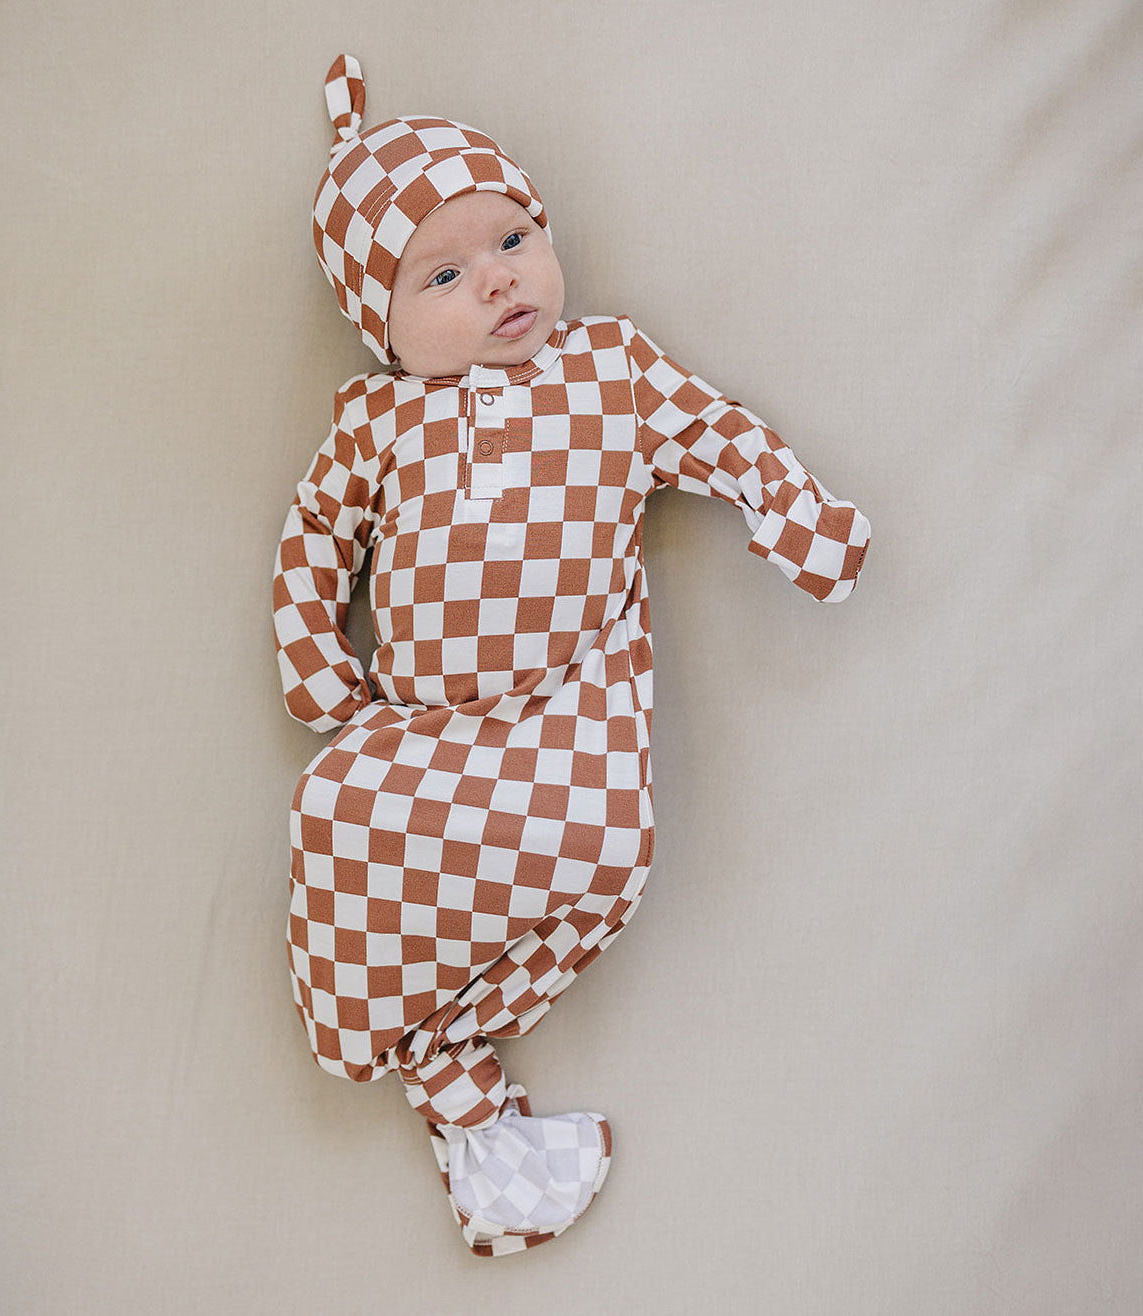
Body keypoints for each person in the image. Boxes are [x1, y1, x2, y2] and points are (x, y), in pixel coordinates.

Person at [272, 53, 871, 1257]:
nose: (498, 279)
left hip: (567, 701)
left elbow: (720, 434)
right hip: (423, 727)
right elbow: (315, 533)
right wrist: (313, 657)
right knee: (339, 809)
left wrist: (800, 516)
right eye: (443, 275)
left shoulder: (609, 371)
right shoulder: (377, 420)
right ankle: (423, 1052)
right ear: (381, 326)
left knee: (601, 847)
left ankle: (445, 1056)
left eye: (513, 239)